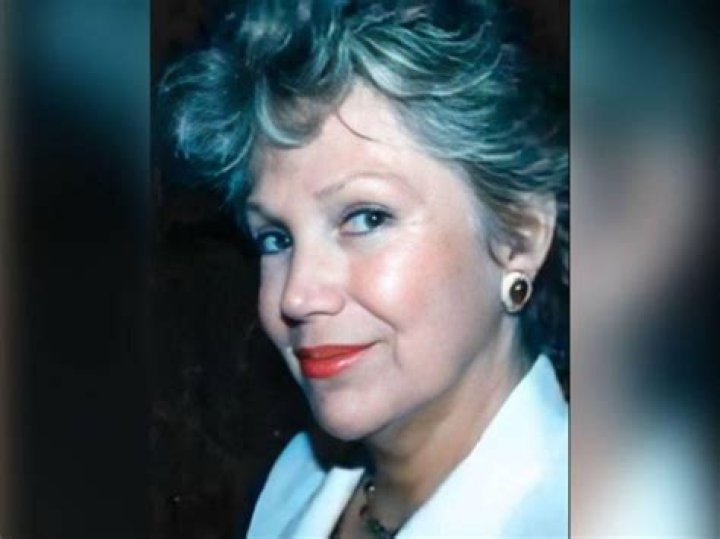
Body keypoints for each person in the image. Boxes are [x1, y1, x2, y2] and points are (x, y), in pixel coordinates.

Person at [160, 0, 568, 537]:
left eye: (367, 218)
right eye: (276, 238)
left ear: (520, 236)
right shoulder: (297, 479)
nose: (296, 296)